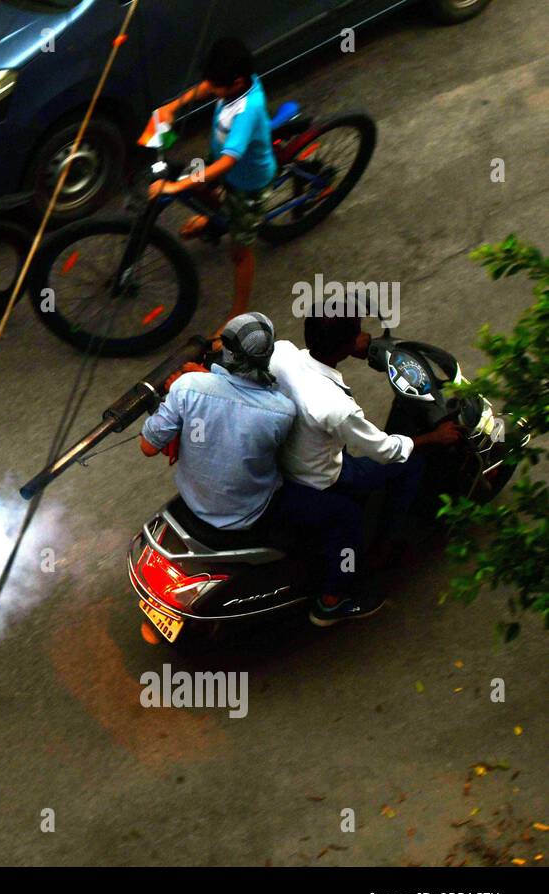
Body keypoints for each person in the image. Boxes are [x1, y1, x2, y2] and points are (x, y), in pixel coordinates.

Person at [268, 312, 462, 625]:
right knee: (408, 463)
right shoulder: (335, 406)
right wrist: (433, 437)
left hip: (288, 454)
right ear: (344, 345)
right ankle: (343, 589)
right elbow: (385, 450)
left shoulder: (282, 352)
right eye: (358, 334)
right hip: (323, 478)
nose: (366, 338)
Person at [148, 37, 277, 325]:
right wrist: (173, 106)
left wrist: (175, 186)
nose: (212, 89)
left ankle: (239, 311)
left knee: (240, 253)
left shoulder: (248, 109)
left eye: (219, 86)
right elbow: (208, 86)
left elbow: (227, 163)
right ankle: (215, 220)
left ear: (237, 83)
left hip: (247, 183)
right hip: (223, 158)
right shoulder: (235, 82)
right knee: (206, 190)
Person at [140, 312, 295, 531]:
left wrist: (179, 393)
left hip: (194, 503)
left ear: (227, 353)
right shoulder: (283, 411)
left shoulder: (188, 386)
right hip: (250, 511)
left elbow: (148, 447)